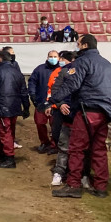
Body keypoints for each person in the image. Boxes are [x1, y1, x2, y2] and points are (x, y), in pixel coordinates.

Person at [51, 34, 111, 198]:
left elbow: (73, 84)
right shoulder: (107, 65)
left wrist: (55, 99)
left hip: (86, 110)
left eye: (78, 43)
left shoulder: (82, 62)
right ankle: (101, 187)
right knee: (99, 150)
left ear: (84, 45)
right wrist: (107, 102)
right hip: (104, 112)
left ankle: (74, 185)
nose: (76, 45)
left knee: (76, 149)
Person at [48, 51, 77, 187]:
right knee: (61, 141)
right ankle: (59, 171)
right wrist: (60, 104)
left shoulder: (90, 72)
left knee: (80, 146)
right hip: (64, 113)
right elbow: (55, 91)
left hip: (81, 113)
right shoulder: (65, 72)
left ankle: (79, 174)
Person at [28, 50, 60, 153]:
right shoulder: (39, 69)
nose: (53, 58)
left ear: (59, 58)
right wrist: (32, 94)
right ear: (47, 57)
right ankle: (44, 142)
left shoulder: (62, 70)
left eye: (55, 56)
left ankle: (54, 145)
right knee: (40, 123)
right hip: (41, 101)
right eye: (51, 56)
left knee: (55, 125)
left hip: (56, 104)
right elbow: (32, 82)